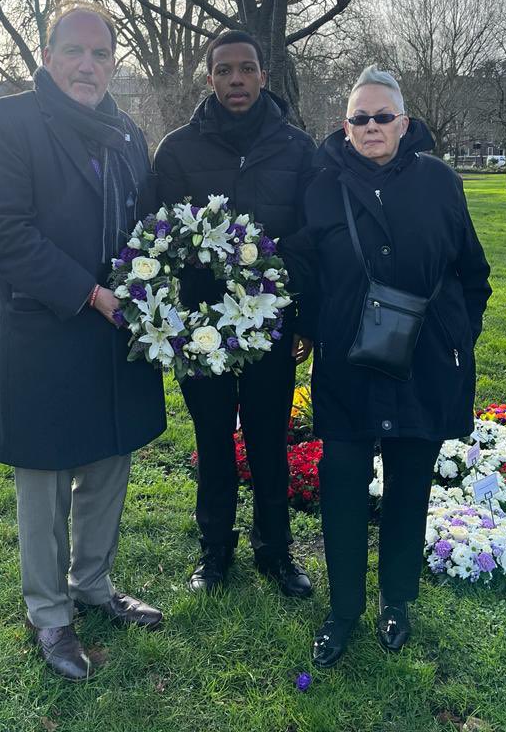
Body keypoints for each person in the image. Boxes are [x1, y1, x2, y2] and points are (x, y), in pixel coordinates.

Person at [0, 4, 166, 681]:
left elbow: (147, 229)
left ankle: (92, 586)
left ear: (114, 62)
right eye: (74, 51)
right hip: (49, 332)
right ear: (48, 56)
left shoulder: (129, 134)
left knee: (109, 464)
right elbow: (2, 229)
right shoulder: (6, 122)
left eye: (101, 54)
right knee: (45, 480)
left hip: (115, 340)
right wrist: (91, 293)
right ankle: (49, 613)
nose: (88, 64)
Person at [302, 66, 491, 667]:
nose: (372, 127)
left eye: (384, 116)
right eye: (360, 118)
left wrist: (458, 336)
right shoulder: (322, 185)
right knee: (342, 489)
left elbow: (472, 271)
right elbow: (306, 273)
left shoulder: (440, 181)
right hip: (348, 368)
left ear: (404, 123)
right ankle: (344, 609)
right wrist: (315, 330)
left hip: (425, 367)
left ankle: (397, 602)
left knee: (410, 487)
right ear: (346, 125)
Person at [154, 30, 316, 598]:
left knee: (270, 438)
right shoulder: (177, 151)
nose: (237, 80)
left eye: (247, 68)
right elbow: (161, 240)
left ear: (264, 76)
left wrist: (303, 317)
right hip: (204, 329)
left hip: (271, 324)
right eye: (225, 71)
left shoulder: (298, 150)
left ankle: (275, 550)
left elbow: (314, 236)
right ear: (210, 79)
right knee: (215, 439)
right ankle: (214, 552)